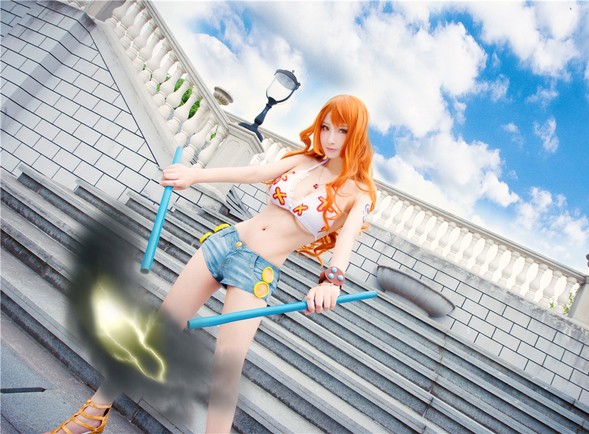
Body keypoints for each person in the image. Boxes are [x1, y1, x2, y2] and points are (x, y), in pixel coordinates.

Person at [51, 94, 377, 433]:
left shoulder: (359, 194)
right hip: (225, 242)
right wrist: (194, 175)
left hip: (256, 270)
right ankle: (92, 414)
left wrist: (331, 282)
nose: (330, 138)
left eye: (342, 130)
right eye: (326, 127)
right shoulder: (305, 161)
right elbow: (253, 172)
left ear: (356, 134)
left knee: (226, 368)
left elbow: (346, 242)